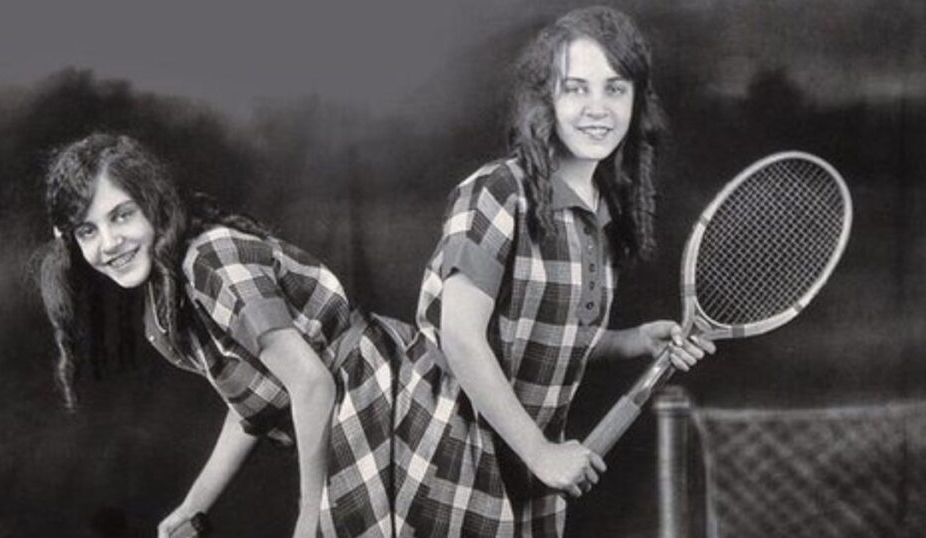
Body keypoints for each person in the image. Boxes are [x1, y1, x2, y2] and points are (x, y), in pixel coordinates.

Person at [391, 7, 715, 536]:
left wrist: (634, 340)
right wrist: (540, 451)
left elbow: (554, 335)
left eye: (615, 89)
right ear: (546, 100)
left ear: (636, 102)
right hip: (451, 467)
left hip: (531, 482)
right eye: (575, 88)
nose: (597, 108)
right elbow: (461, 337)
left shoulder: (604, 215)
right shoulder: (500, 191)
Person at [36, 133, 406, 538]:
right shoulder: (166, 288)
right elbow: (252, 399)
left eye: (122, 215)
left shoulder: (210, 261)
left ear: (152, 203)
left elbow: (311, 384)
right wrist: (194, 505)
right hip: (344, 416)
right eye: (87, 231)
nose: (109, 243)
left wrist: (310, 518)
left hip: (387, 401)